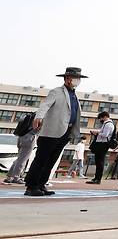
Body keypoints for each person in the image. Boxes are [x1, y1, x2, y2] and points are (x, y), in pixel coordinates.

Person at [24, 67, 84, 196]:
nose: (77, 81)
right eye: (75, 78)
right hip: (51, 132)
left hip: (65, 132)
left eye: (79, 78)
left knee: (51, 160)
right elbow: (45, 105)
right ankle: (31, 186)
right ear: (67, 78)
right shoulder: (56, 92)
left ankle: (41, 184)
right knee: (41, 159)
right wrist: (38, 117)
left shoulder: (74, 95)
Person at [86, 111, 114, 184]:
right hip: (102, 143)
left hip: (103, 144)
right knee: (98, 161)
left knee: (100, 162)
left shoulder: (108, 124)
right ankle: (96, 178)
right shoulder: (107, 124)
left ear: (105, 116)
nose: (100, 120)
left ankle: (98, 179)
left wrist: (97, 133)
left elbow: (105, 135)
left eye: (101, 118)